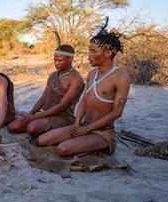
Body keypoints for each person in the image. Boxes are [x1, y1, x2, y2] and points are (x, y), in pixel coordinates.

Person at [38, 27, 131, 157]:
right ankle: (84, 142)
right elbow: (85, 100)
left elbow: (117, 112)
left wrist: (87, 129)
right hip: (83, 125)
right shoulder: (92, 73)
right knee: (42, 140)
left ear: (108, 53)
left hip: (102, 132)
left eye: (93, 51)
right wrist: (77, 124)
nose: (89, 55)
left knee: (62, 149)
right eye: (89, 50)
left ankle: (103, 144)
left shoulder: (121, 78)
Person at [7, 43, 84, 137]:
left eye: (60, 60)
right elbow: (43, 99)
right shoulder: (53, 75)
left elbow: (61, 106)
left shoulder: (76, 79)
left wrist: (33, 117)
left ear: (70, 59)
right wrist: (29, 115)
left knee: (32, 128)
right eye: (55, 60)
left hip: (63, 117)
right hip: (45, 113)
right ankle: (44, 127)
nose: (56, 63)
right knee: (12, 127)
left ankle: (53, 132)